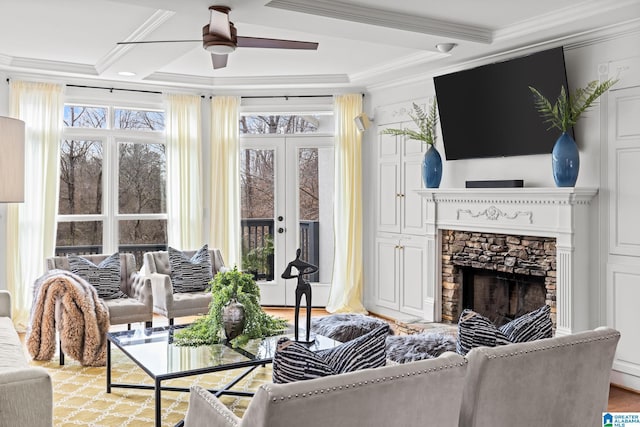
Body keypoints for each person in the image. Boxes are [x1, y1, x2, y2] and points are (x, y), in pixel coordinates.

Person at [281, 248, 318, 342]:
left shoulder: (298, 263)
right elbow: (284, 275)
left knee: (308, 309)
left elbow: (315, 268)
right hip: (300, 286)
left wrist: (304, 273)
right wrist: (297, 275)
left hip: (305, 286)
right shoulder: (293, 263)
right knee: (297, 309)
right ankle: (297, 336)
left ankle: (307, 336)